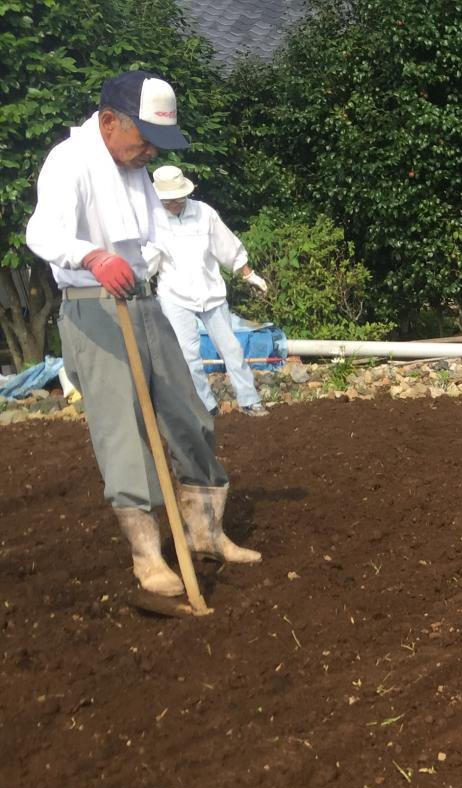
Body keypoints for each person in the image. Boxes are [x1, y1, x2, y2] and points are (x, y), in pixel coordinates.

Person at [25, 71, 260, 597]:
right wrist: (92, 255)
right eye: (145, 139)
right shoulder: (70, 161)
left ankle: (204, 532)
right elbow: (40, 232)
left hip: (142, 302)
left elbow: (154, 235)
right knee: (123, 433)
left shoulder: (133, 166)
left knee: (190, 416)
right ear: (110, 122)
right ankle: (148, 556)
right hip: (93, 308)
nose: (151, 151)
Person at [151, 165, 270, 417]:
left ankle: (249, 400)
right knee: (187, 354)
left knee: (231, 347)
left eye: (178, 198)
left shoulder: (204, 213)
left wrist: (248, 274)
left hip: (210, 291)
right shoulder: (152, 220)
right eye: (169, 200)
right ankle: (206, 407)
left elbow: (227, 246)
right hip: (174, 294)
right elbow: (146, 262)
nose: (174, 204)